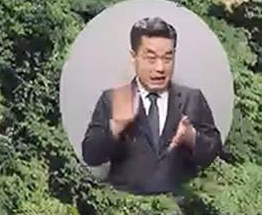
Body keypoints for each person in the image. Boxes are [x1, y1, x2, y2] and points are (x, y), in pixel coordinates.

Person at [80, 17, 222, 194]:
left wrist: (191, 137)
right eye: (151, 58)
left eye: (167, 58)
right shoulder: (112, 99)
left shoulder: (192, 98)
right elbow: (90, 156)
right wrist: (115, 127)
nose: (160, 68)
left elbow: (214, 152)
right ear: (134, 57)